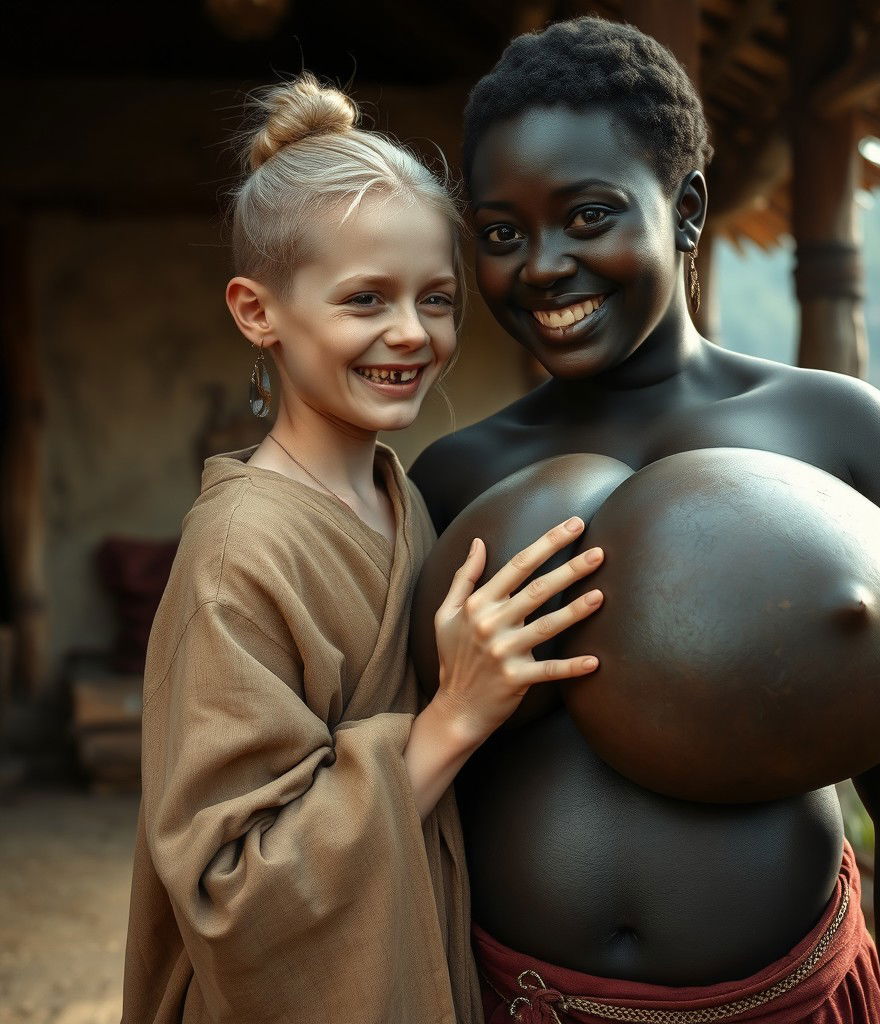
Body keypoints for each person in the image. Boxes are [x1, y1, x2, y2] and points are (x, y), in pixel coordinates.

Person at [410, 17, 880, 1024]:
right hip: (521, 1007)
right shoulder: (453, 475)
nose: (543, 265)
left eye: (587, 216)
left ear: (685, 210)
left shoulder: (836, 432)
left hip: (792, 1003)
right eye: (503, 234)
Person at [120, 73, 607, 1024]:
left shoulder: (405, 502)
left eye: (436, 298)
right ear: (257, 312)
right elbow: (231, 888)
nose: (410, 333)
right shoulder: (239, 551)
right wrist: (456, 716)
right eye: (364, 299)